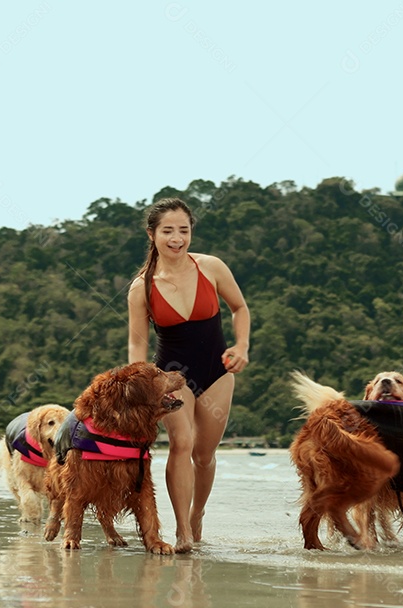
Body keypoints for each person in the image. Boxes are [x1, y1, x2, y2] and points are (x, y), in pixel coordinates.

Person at [127, 197, 250, 553]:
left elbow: (239, 308)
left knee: (204, 455)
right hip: (171, 376)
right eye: (168, 230)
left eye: (184, 230)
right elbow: (137, 346)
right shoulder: (142, 288)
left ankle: (198, 514)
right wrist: (143, 383)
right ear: (152, 234)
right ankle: (182, 530)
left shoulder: (211, 267)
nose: (177, 238)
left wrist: (241, 346)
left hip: (217, 371)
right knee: (181, 444)